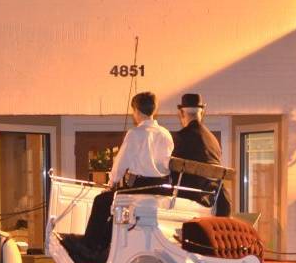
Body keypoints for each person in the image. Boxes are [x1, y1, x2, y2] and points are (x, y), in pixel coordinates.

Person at [81, 91, 174, 252]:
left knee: (101, 201)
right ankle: (105, 242)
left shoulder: (135, 134)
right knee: (112, 201)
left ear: (136, 111)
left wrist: (112, 184)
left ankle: (91, 245)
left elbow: (121, 163)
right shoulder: (165, 134)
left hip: (139, 187)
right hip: (161, 189)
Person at [171, 93, 231, 216]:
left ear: (182, 114)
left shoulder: (180, 138)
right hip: (213, 200)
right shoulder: (213, 141)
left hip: (188, 200)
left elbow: (171, 172)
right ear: (202, 113)